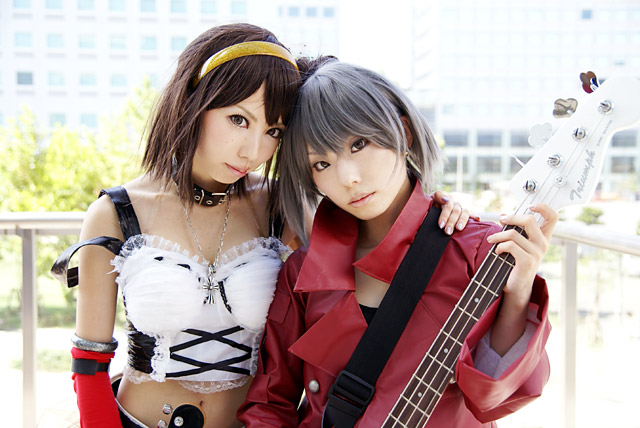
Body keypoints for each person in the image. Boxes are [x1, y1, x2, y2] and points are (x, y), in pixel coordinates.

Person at [50, 24, 470, 428]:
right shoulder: (116, 212)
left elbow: (370, 219)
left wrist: (437, 212)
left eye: (273, 130)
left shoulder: (281, 206)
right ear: (194, 100)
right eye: (238, 119)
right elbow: (89, 363)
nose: (253, 151)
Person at [237, 59, 559, 428]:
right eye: (321, 164)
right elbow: (270, 402)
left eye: (359, 144)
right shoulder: (301, 273)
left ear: (403, 133)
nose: (349, 177)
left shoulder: (478, 249)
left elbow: (494, 397)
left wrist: (519, 292)